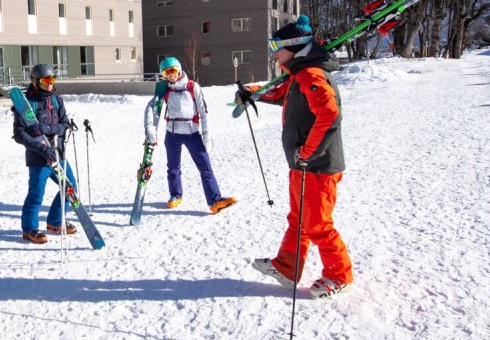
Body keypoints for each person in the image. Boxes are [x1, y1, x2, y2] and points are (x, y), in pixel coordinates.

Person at [239, 16, 353, 299]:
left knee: (317, 224)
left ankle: (338, 274)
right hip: (302, 164)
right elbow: (283, 94)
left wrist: (307, 152)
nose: (274, 52)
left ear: (295, 46)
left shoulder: (312, 74)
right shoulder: (299, 75)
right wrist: (253, 93)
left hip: (316, 165)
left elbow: (329, 115)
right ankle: (287, 267)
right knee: (299, 219)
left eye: (276, 46)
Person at [144, 57, 236, 214]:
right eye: (166, 72)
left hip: (192, 133)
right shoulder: (164, 89)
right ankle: (175, 195)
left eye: (173, 70)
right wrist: (150, 128)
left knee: (205, 167)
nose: (170, 75)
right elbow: (153, 109)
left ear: (179, 70)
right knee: (173, 167)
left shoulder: (193, 87)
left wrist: (206, 136)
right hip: (172, 134)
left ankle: (215, 201)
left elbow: (204, 113)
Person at [12, 63, 77, 244]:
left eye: (52, 79)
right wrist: (41, 147)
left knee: (70, 188)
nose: (50, 84)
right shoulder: (25, 104)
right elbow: (19, 134)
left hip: (58, 155)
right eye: (45, 80)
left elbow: (65, 125)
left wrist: (49, 128)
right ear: (34, 81)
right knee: (36, 194)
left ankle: (55, 222)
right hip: (38, 159)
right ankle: (29, 229)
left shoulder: (57, 100)